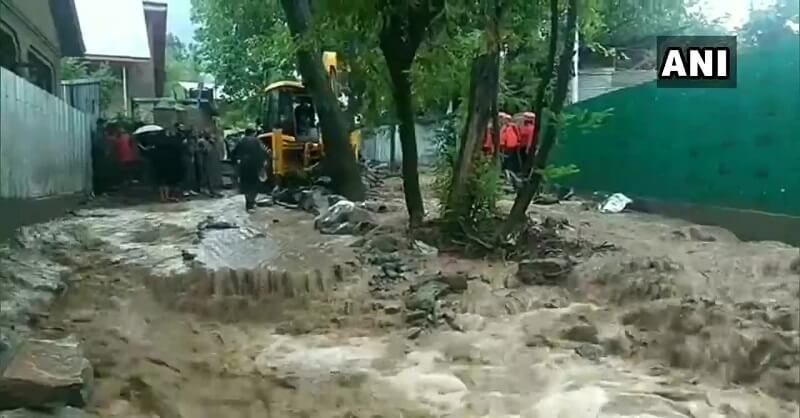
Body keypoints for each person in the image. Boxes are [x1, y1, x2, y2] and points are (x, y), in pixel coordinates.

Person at [232, 128, 268, 212]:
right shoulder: (257, 141)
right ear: (253, 133)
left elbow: (233, 153)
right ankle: (251, 203)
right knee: (254, 184)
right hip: (254, 165)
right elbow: (263, 152)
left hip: (244, 165)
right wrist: (263, 163)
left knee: (246, 184)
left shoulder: (240, 141)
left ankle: (249, 202)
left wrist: (236, 161)